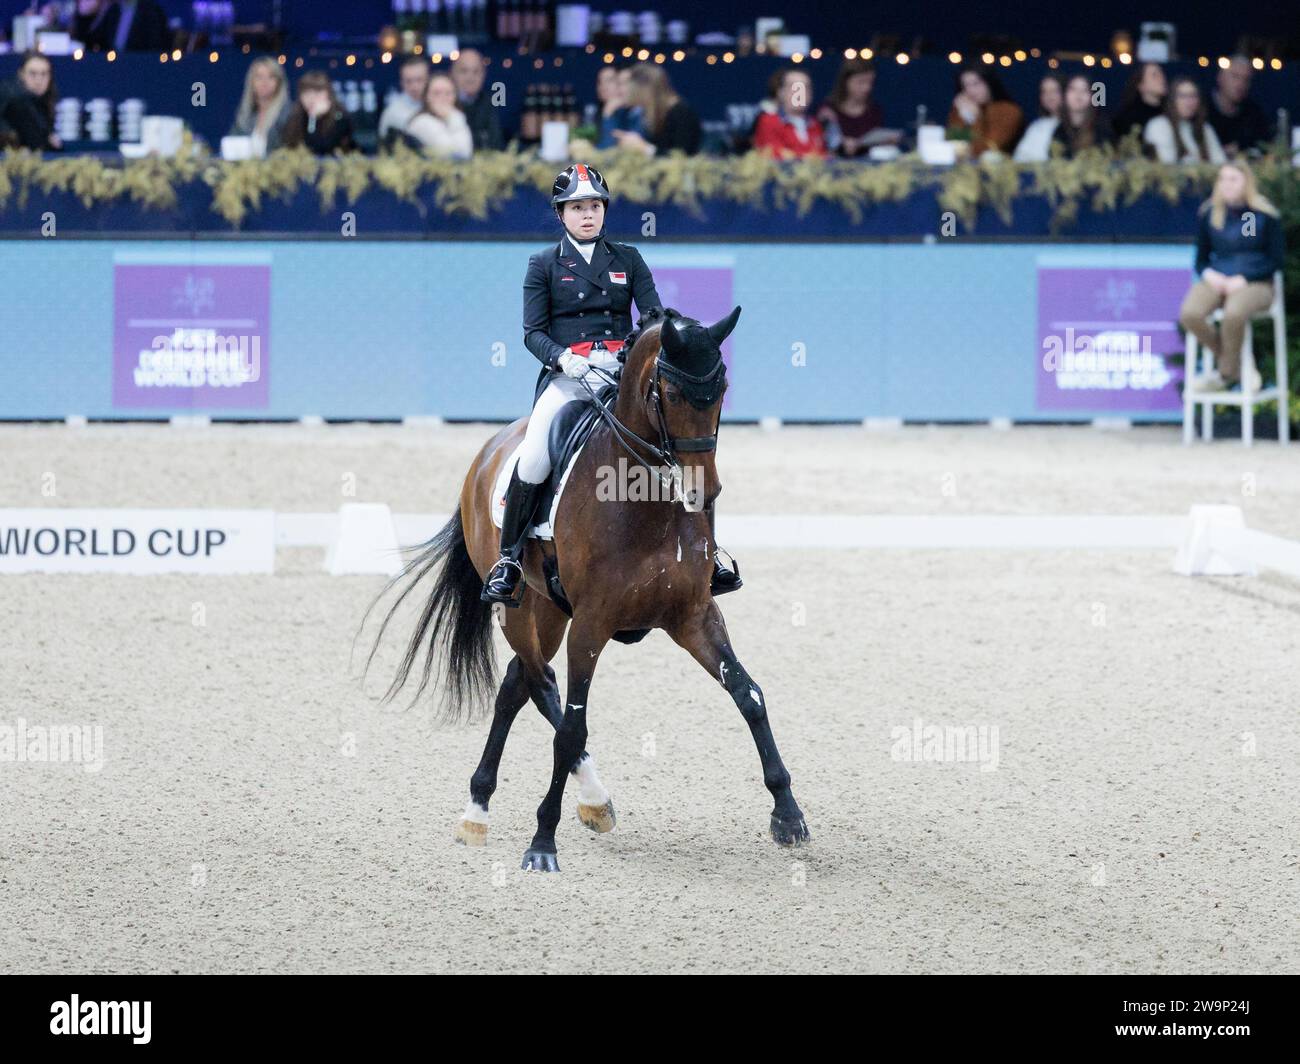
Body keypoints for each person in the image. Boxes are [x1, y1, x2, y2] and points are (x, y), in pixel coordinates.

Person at [482, 163, 741, 604]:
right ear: (561, 214)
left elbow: (654, 315)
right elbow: (532, 332)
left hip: (620, 376)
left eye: (595, 206)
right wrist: (564, 359)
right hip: (569, 378)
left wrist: (666, 337)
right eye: (578, 207)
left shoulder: (627, 259)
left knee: (685, 445)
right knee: (537, 451)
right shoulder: (543, 264)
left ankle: (709, 552)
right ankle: (508, 558)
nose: (588, 215)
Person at [1179, 161, 1283, 394]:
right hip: (1218, 277)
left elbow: (1264, 256)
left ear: (1246, 181)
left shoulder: (1255, 215)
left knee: (1234, 312)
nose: (1226, 184)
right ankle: (1237, 366)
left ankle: (1225, 373)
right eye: (1222, 179)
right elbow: (1201, 259)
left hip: (1254, 282)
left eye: (1233, 179)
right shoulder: (1211, 214)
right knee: (1190, 313)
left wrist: (1243, 278)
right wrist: (1211, 275)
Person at [816, 58, 898, 158]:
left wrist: (886, 141)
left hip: (870, 165)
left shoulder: (874, 110)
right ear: (846, 81)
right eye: (861, 82)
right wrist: (841, 143)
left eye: (870, 83)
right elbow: (820, 144)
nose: (867, 88)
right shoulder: (828, 109)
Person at [612, 63, 700, 156]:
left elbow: (681, 157)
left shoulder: (682, 114)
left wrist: (644, 148)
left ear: (645, 88)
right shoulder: (653, 114)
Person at [1144, 78, 1225, 165]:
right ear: (1172, 100)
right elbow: (1165, 164)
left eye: (1193, 96)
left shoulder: (1205, 129)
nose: (1189, 102)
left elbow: (1220, 161)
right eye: (1183, 96)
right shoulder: (1159, 126)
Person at [947, 66, 1023, 157]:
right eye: (965, 86)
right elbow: (953, 146)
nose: (970, 91)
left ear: (989, 83)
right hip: (962, 168)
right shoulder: (961, 110)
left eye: (976, 84)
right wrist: (962, 116)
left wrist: (974, 119)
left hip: (998, 168)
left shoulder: (1008, 111)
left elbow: (987, 150)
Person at [752, 68, 827, 158]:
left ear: (811, 94)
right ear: (780, 92)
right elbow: (774, 154)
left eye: (805, 87)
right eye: (793, 87)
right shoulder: (768, 121)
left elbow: (824, 157)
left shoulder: (815, 125)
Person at [1207, 56, 1273, 157]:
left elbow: (1265, 147)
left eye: (1246, 79)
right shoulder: (1201, 109)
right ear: (1220, 77)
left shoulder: (1254, 113)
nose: (1240, 84)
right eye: (1235, 76)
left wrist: (1242, 149)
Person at [227, 56, 290, 158]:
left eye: (271, 77)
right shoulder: (246, 115)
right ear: (251, 81)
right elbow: (231, 145)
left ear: (279, 82)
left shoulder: (288, 114)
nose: (264, 82)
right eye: (259, 77)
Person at [281, 71, 356, 155]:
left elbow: (320, 149)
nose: (311, 98)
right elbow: (288, 144)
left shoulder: (340, 118)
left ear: (328, 94)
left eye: (317, 92)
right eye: (306, 92)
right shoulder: (296, 116)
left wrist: (313, 118)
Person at [0, 51, 61, 151]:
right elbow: (38, 145)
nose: (38, 81)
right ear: (21, 74)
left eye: (44, 74)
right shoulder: (15, 100)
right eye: (32, 74)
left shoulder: (44, 99)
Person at [405, 72, 473, 158]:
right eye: (436, 93)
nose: (443, 98)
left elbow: (467, 152)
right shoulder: (421, 121)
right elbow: (452, 154)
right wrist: (455, 117)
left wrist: (454, 117)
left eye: (448, 93)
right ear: (426, 97)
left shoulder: (455, 118)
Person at [450, 48, 504, 152]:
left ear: (484, 75)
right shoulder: (443, 103)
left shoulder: (490, 103)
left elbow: (496, 144)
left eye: (476, 72)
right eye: (464, 71)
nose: (470, 77)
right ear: (453, 73)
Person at [73, 0, 170, 53]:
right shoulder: (114, 10)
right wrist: (84, 17)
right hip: (113, 68)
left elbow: (155, 47)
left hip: (140, 69)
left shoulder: (151, 11)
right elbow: (94, 42)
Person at [1112, 62, 1167, 148]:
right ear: (1141, 85)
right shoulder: (1127, 119)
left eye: (1162, 74)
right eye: (1154, 75)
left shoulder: (1171, 113)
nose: (1162, 78)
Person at [1013, 74, 1065, 161]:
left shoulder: (1076, 125)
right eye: (1044, 92)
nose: (1049, 96)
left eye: (1054, 91)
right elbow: (1020, 158)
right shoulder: (1037, 126)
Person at [378, 55, 429, 141]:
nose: (414, 86)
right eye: (408, 81)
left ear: (428, 79)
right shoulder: (392, 112)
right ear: (401, 82)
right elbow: (384, 144)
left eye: (419, 80)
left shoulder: (441, 106)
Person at [593, 65, 639, 149]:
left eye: (609, 81)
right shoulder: (600, 110)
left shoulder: (633, 112)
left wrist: (607, 113)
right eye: (600, 82)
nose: (603, 87)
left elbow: (607, 148)